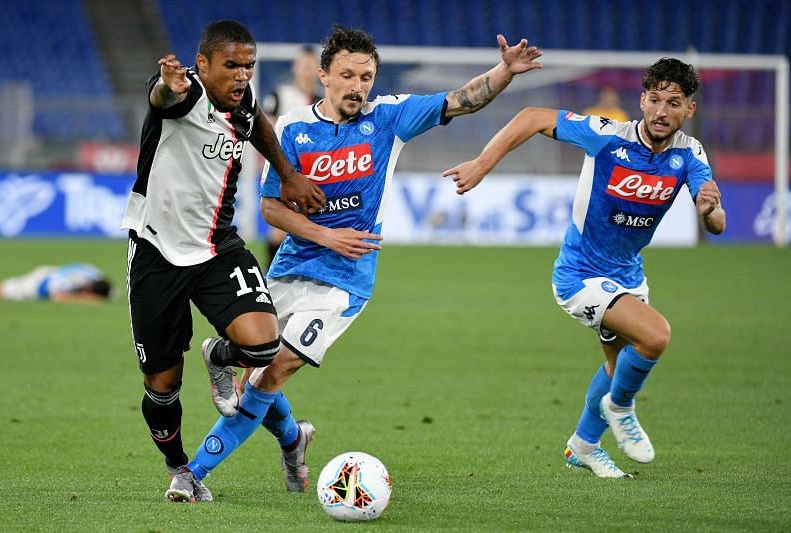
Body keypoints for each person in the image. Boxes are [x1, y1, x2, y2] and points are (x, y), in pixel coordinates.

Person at [169, 24, 543, 501]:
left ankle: (193, 474)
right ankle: (293, 438)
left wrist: (505, 71)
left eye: (366, 77)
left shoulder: (389, 118)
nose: (357, 86)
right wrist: (326, 234)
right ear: (324, 75)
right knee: (252, 380)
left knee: (274, 371)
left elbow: (461, 99)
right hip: (291, 267)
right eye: (347, 75)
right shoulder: (294, 127)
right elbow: (270, 208)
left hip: (345, 282)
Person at [443, 58, 725, 477]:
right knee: (656, 336)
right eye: (653, 100)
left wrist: (709, 210)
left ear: (689, 110)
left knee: (617, 367)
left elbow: (716, 223)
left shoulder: (690, 153)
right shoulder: (608, 137)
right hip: (580, 275)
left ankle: (584, 446)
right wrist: (483, 164)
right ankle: (621, 408)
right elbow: (532, 117)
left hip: (628, 274)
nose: (661, 111)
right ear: (641, 100)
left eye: (673, 102)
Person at [121, 19, 326, 503]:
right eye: (231, 65)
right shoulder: (182, 94)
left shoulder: (244, 102)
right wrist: (168, 88)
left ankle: (218, 354)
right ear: (202, 65)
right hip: (157, 253)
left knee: (263, 345)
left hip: (217, 248)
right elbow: (162, 98)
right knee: (161, 385)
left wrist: (288, 175)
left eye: (248, 66)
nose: (241, 75)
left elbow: (261, 129)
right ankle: (179, 469)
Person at [261, 45, 324, 265]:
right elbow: (266, 133)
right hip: (284, 172)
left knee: (306, 230)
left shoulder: (322, 102)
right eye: (303, 64)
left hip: (314, 173)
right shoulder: (280, 96)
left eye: (311, 65)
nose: (307, 70)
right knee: (279, 230)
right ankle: (270, 278)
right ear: (295, 67)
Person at [0, 263, 113, 303]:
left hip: (51, 271)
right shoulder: (70, 282)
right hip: (38, 283)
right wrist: (87, 300)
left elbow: (112, 293)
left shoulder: (97, 275)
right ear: (89, 289)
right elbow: (58, 297)